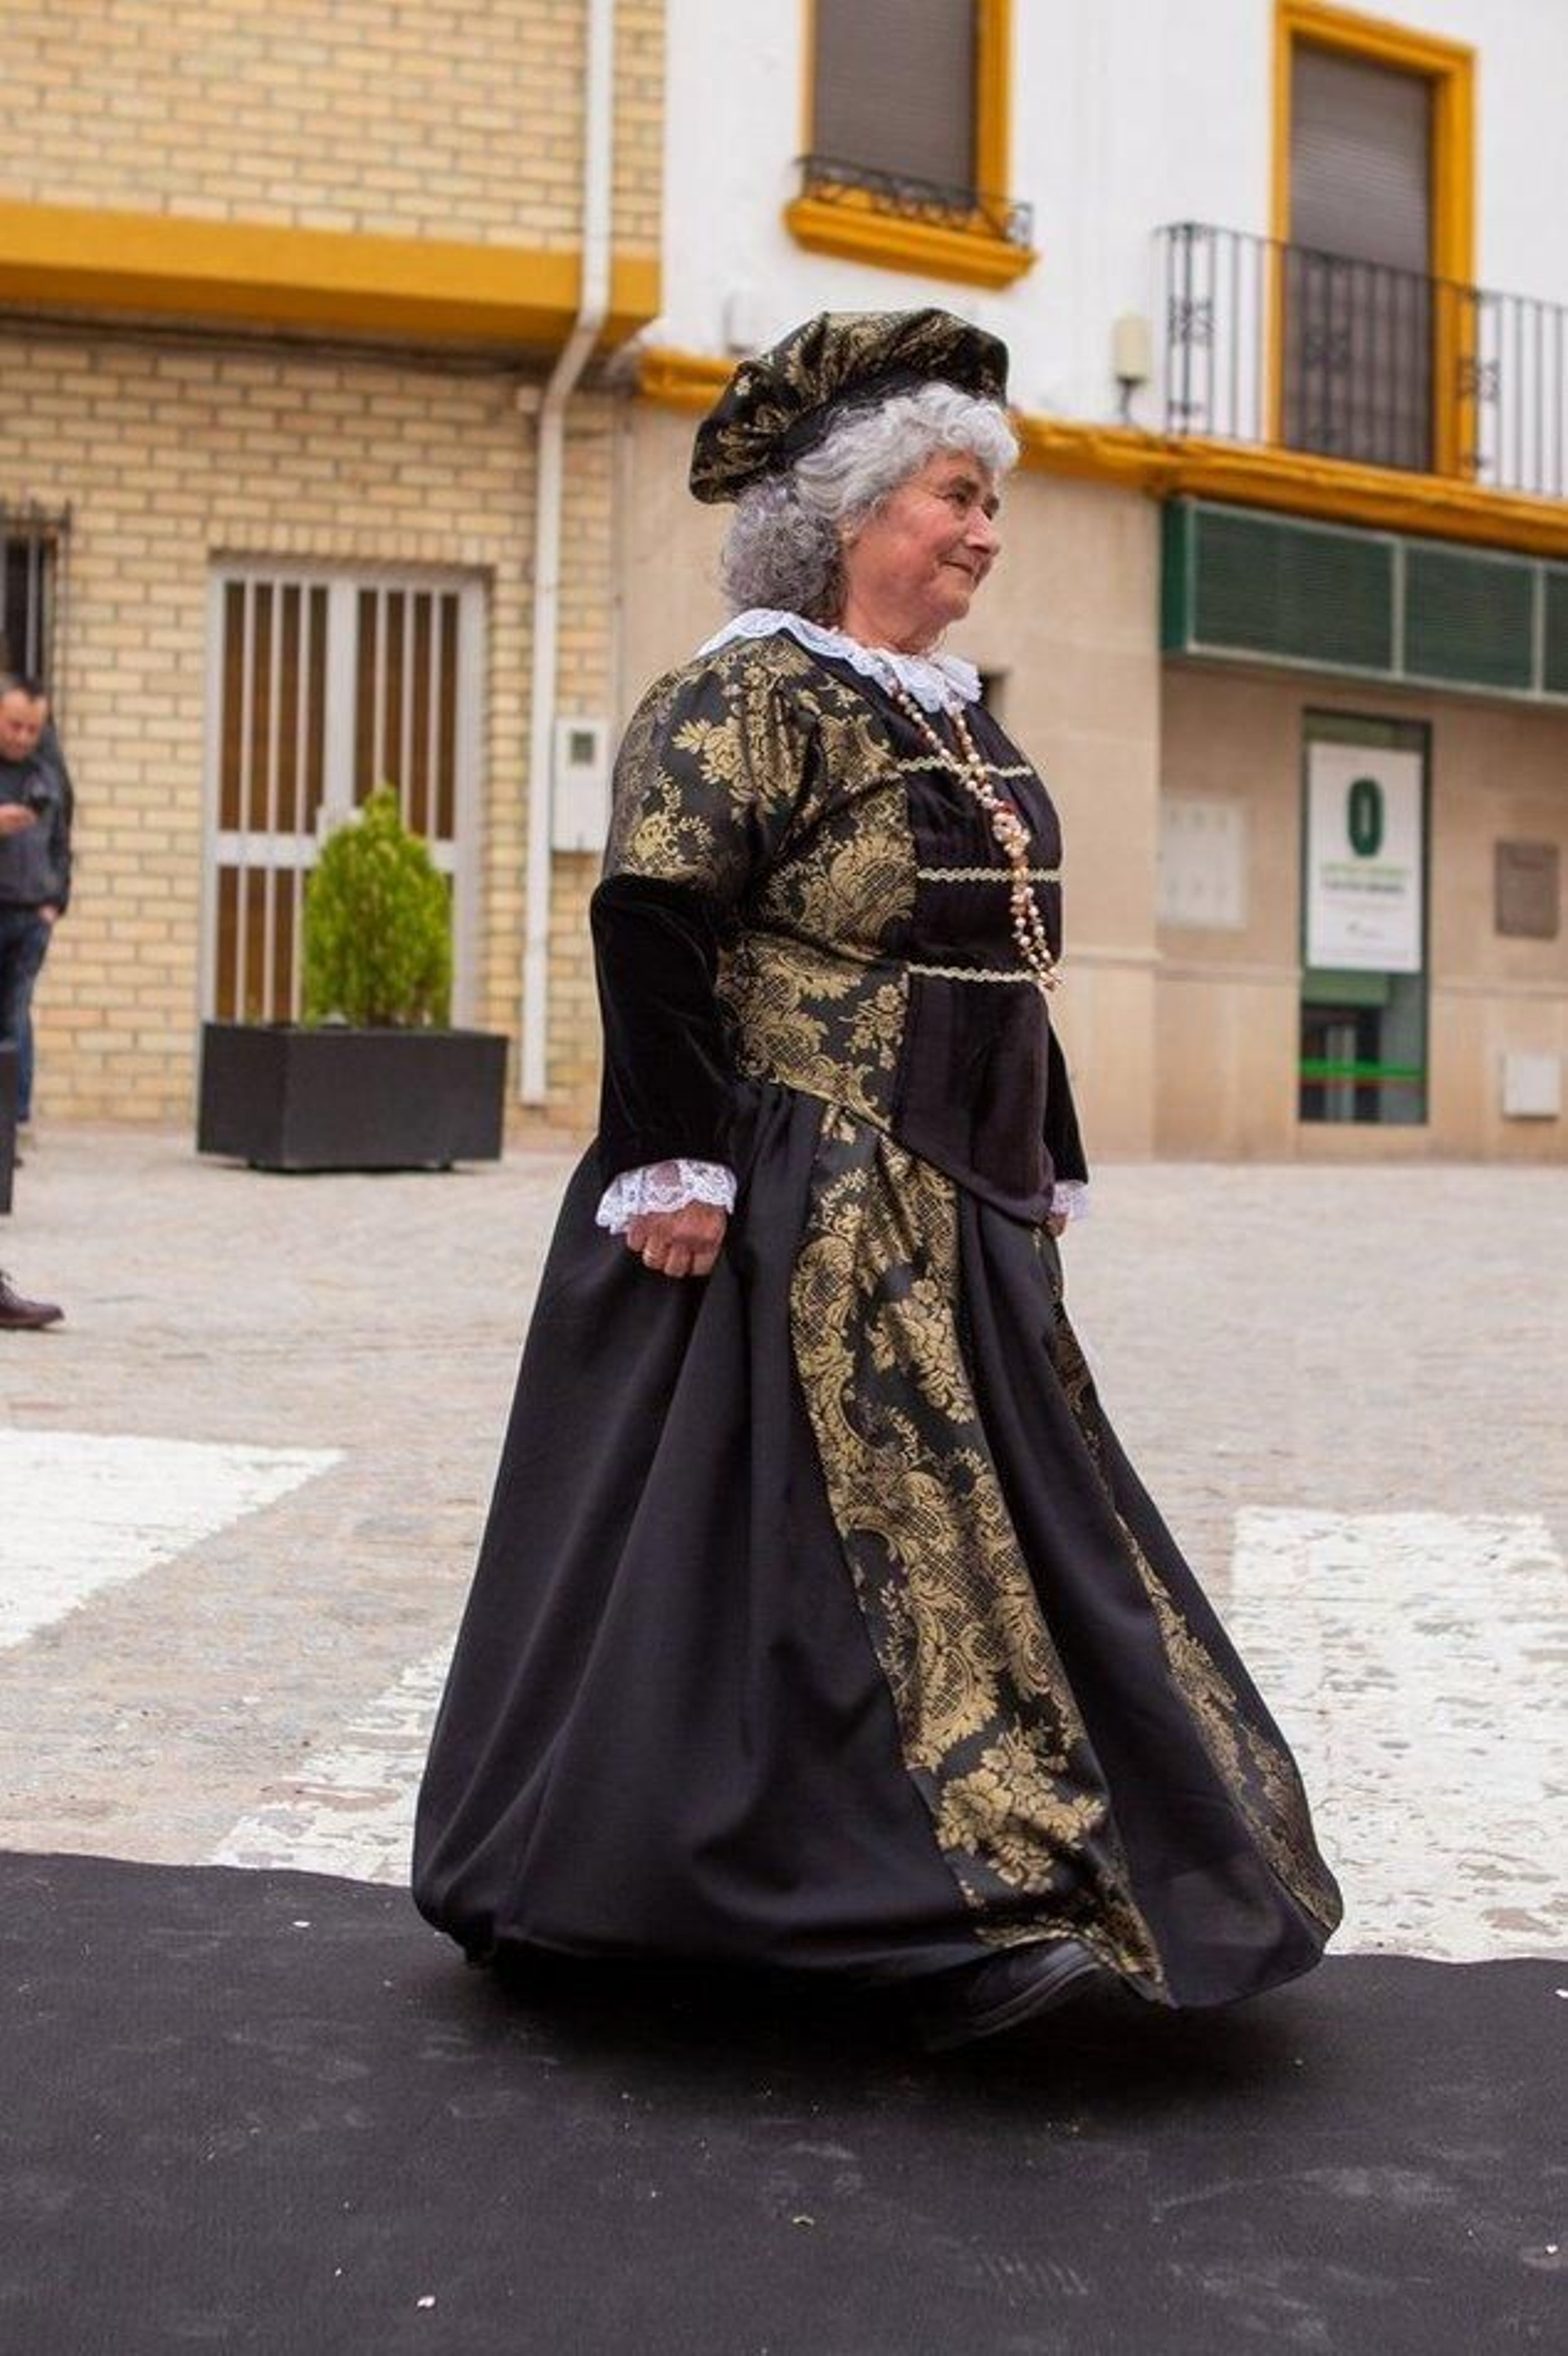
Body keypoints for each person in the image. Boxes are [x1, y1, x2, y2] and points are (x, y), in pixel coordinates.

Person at [413, 310, 1342, 2051]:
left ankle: (1031, 1874)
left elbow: (999, 955)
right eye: (953, 492)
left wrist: (1044, 1151)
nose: (983, 528)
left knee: (1000, 1538)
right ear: (852, 513)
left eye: (989, 498)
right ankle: (903, 1905)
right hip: (792, 1189)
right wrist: (671, 1163)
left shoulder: (951, 716)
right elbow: (652, 919)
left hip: (953, 1209)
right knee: (806, 1558)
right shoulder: (746, 689)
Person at [0, 674, 74, 1131]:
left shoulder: (49, 773)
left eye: (33, 729)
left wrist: (55, 902)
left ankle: (13, 1122)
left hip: (30, 914)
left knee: (14, 1012)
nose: (23, 737)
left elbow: (63, 842)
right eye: (14, 726)